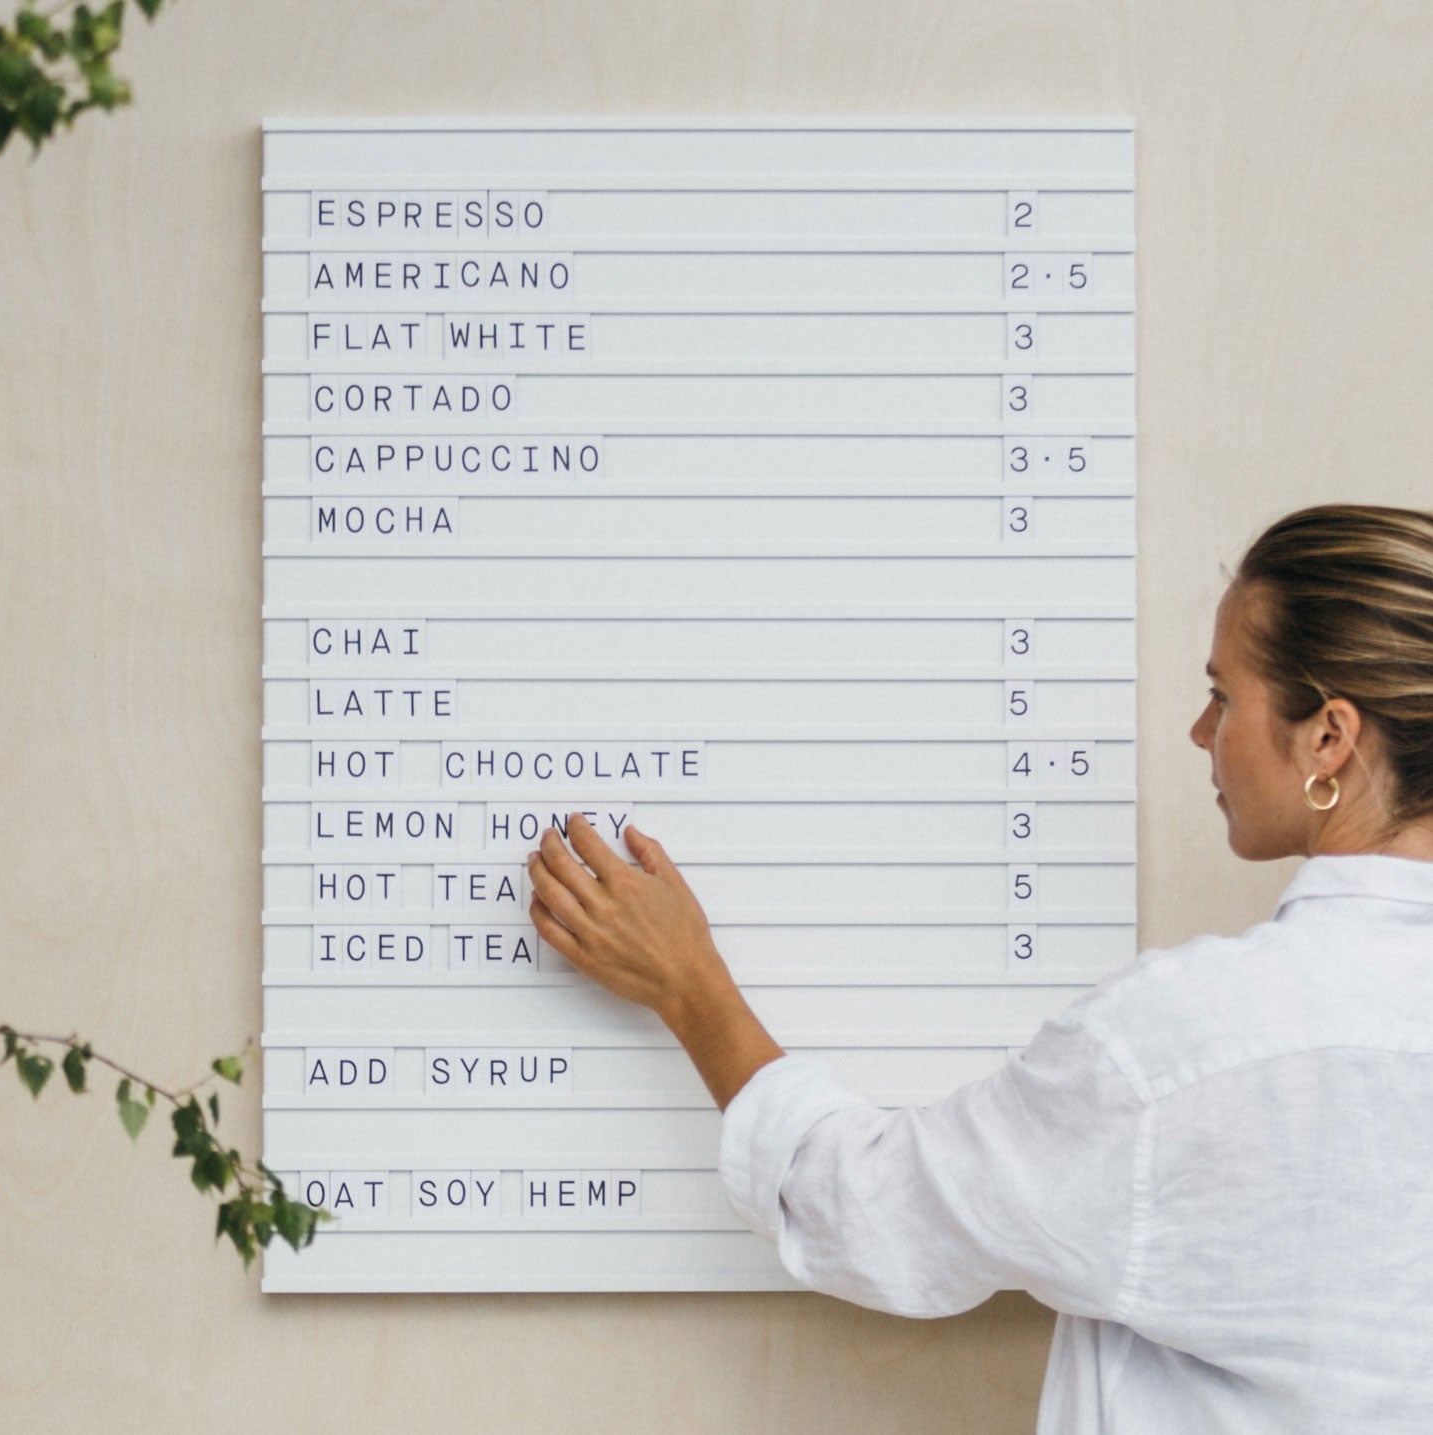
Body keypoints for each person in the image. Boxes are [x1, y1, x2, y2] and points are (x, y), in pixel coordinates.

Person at [526, 504, 1433, 1433]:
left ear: (1327, 737)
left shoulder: (1182, 1044)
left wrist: (690, 986)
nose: (1202, 731)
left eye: (1222, 695)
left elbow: (871, 1211)